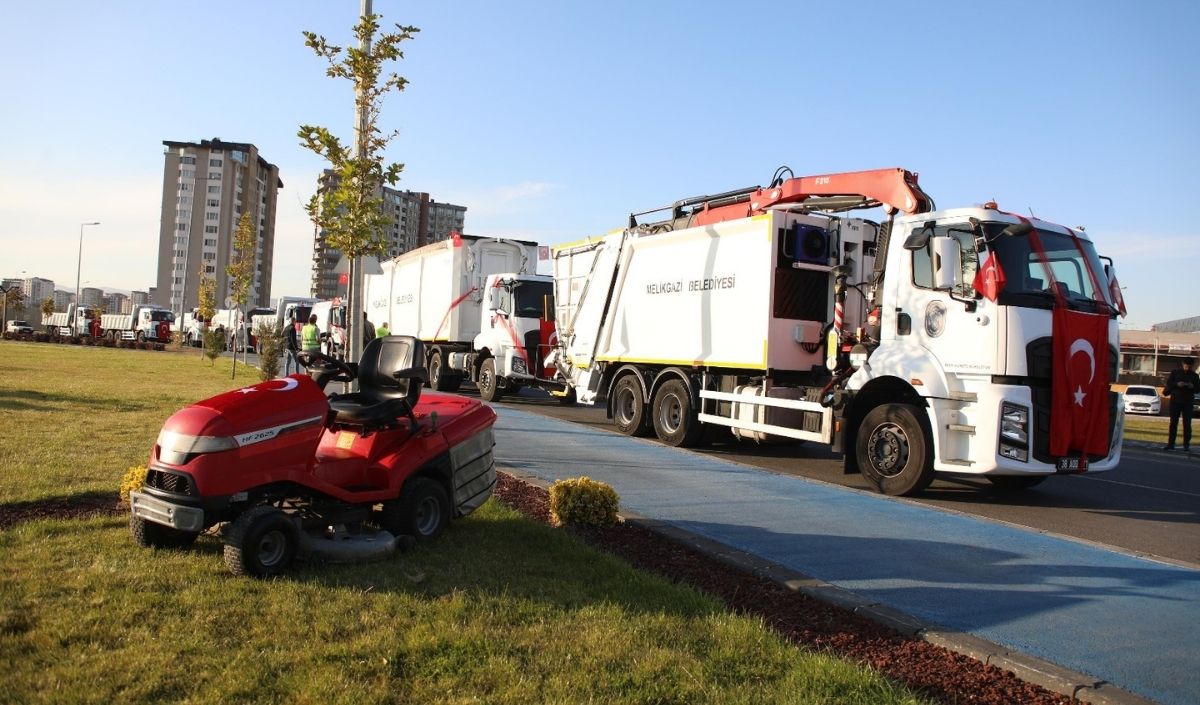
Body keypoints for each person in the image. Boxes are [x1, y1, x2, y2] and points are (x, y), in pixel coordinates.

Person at [1163, 358, 1199, 451]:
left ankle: (1186, 445)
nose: (1187, 368)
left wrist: (1192, 386)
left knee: (1187, 424)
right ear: (1183, 364)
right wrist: (1177, 384)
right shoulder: (1175, 373)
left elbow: (1198, 389)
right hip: (1175, 401)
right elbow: (1169, 383)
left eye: (1189, 367)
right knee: (1173, 423)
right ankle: (1171, 444)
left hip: (1188, 402)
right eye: (1186, 366)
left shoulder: (1195, 376)